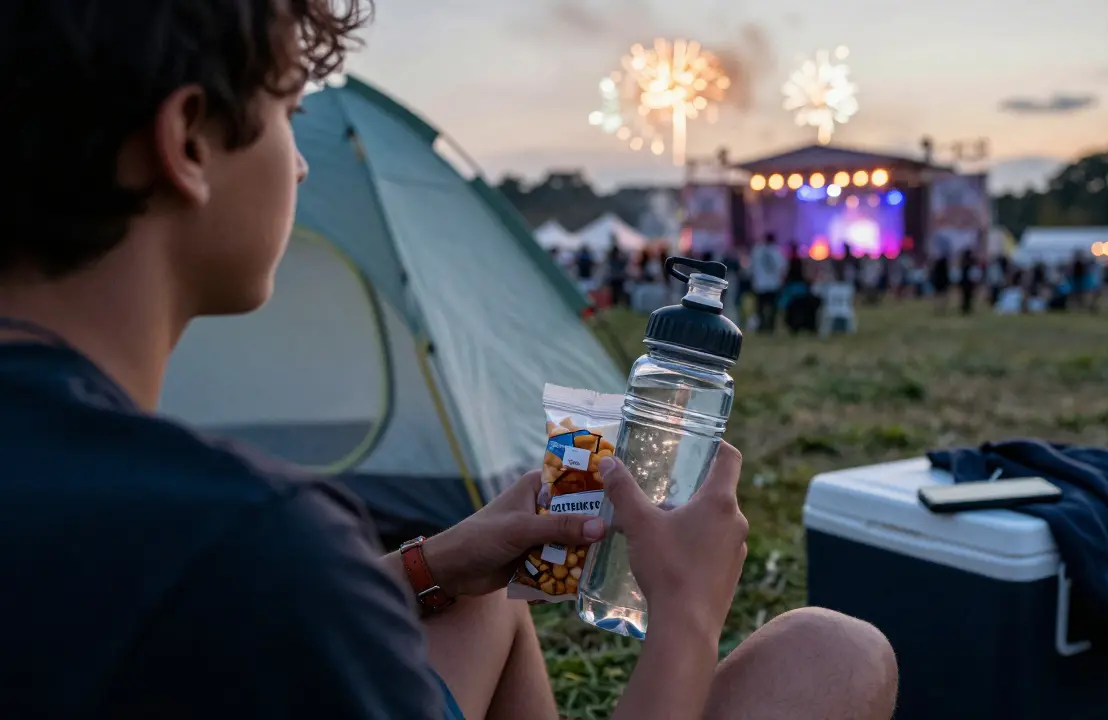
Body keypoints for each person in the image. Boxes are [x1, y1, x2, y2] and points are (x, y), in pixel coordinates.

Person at [0, 3, 899, 719]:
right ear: (189, 140)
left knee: (480, 597)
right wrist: (687, 618)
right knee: (835, 658)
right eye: (289, 112)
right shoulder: (249, 542)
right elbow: (242, 600)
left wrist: (426, 567)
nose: (302, 166)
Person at [750, 233, 786, 333]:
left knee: (760, 308)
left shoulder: (757, 251)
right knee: (773, 308)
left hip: (760, 284)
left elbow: (752, 268)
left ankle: (761, 326)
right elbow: (783, 268)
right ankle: (771, 327)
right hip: (773, 284)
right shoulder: (778, 251)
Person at [604, 240, 629, 310]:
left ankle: (614, 304)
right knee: (618, 292)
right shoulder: (619, 260)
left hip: (614, 278)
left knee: (614, 292)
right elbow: (625, 262)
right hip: (618, 278)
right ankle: (616, 303)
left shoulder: (611, 260)